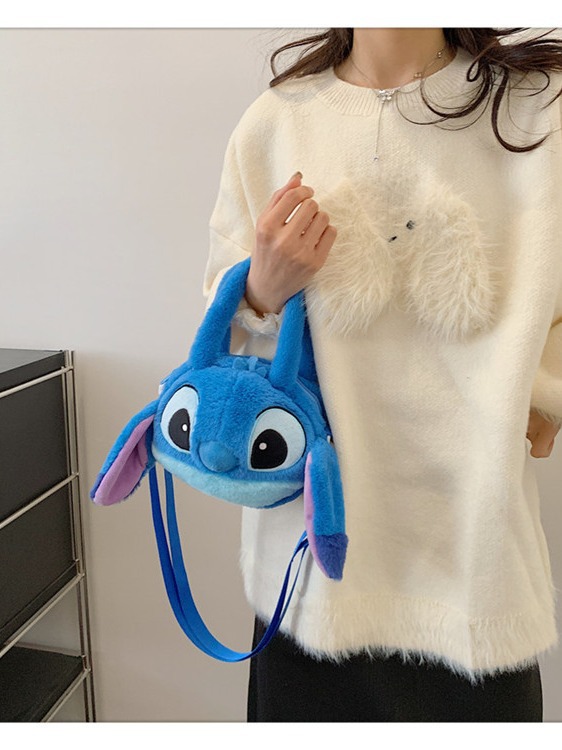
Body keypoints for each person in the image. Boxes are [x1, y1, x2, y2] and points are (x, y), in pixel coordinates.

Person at [202, 28, 562, 722]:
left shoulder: (534, 109)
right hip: (313, 568)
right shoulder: (276, 121)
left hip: (473, 563)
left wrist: (546, 395)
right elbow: (225, 350)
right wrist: (260, 290)